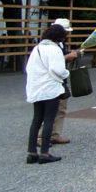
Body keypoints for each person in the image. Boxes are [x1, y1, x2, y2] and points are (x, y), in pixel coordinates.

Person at [25, 24, 70, 164]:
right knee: (49, 119)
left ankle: (31, 152)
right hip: (50, 89)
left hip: (36, 88)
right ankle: (44, 153)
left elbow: (28, 67)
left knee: (36, 120)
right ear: (60, 37)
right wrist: (66, 73)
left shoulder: (37, 48)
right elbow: (58, 70)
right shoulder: (55, 49)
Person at [38, 17, 79, 147]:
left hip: (60, 80)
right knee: (48, 111)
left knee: (61, 108)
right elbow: (54, 63)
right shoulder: (47, 46)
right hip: (52, 80)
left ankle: (55, 134)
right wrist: (67, 57)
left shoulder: (60, 44)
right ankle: (41, 137)